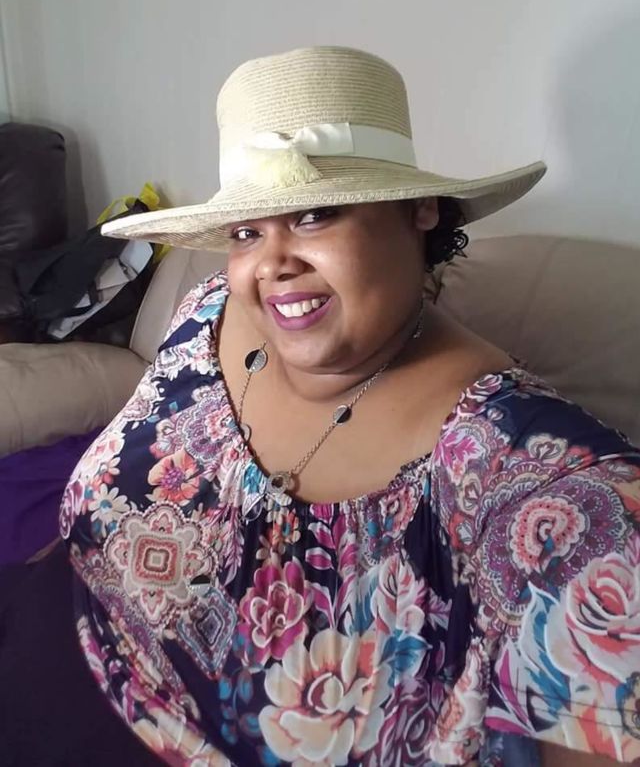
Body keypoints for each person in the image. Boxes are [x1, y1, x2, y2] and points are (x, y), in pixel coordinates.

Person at [42, 47, 640, 764]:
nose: (273, 264)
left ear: (421, 210)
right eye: (246, 231)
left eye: (315, 214)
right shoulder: (209, 312)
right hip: (57, 642)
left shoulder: (558, 500)